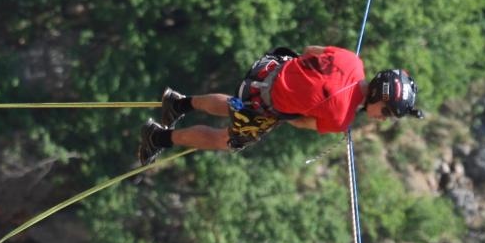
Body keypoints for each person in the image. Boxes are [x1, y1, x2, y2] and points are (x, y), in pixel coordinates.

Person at [138, 46, 423, 167]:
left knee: (236, 105)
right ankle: (159, 137)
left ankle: (179, 103)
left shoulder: (353, 60)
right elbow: (298, 122)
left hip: (269, 68)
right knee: (227, 139)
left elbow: (311, 50)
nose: (384, 119)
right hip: (265, 103)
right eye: (386, 112)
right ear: (377, 97)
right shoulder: (341, 119)